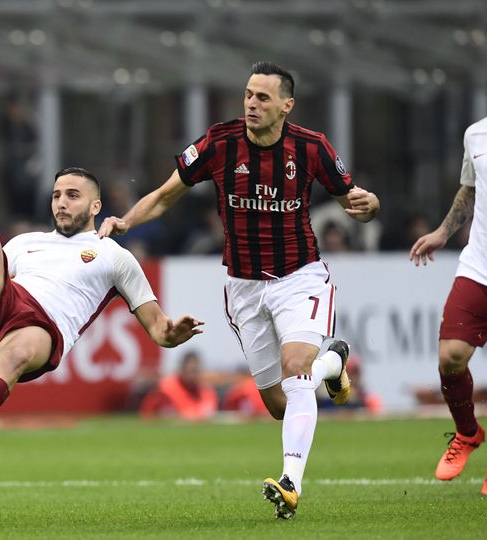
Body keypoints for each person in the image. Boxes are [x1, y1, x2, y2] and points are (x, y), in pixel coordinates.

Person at [98, 61, 381, 519]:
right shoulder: (219, 143)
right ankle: (334, 361)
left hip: (299, 277)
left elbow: (357, 201)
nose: (252, 103)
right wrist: (126, 221)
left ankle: (291, 483)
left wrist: (370, 207)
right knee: (277, 403)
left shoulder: (311, 148)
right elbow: (168, 193)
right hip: (243, 287)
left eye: (263, 97)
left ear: (286, 106)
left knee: (295, 368)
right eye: (248, 94)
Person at [0, 167, 205, 470]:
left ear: (96, 206)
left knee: (17, 354)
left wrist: (175, 332)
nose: (61, 203)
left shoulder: (115, 257)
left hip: (41, 328)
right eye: (56, 195)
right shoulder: (25, 243)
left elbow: (160, 331)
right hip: (0, 308)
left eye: (72, 196)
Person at [409, 43, 487, 496]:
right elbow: (469, 191)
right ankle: (467, 432)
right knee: (450, 357)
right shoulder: (476, 135)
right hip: (479, 267)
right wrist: (444, 232)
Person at [138, 351, 217, 420]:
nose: (193, 375)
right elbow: (147, 412)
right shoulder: (166, 387)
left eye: (196, 371)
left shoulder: (205, 390)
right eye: (191, 371)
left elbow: (209, 412)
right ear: (182, 369)